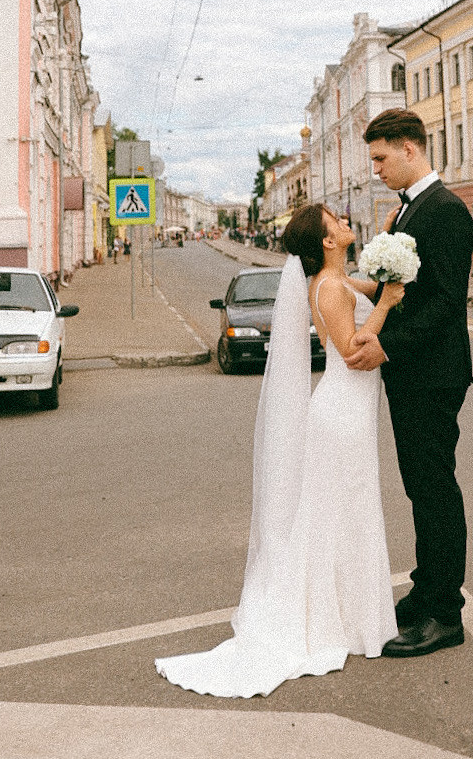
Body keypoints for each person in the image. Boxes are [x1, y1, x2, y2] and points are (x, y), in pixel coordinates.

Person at [155, 204, 405, 697]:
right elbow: (353, 351)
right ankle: (346, 620)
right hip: (341, 412)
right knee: (341, 511)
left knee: (344, 512)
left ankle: (351, 614)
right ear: (327, 241)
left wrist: (392, 273)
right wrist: (388, 304)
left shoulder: (341, 279)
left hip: (347, 412)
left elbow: (373, 288)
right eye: (336, 220)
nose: (345, 221)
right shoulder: (330, 287)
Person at [346, 108, 473, 658]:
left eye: (380, 158)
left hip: (432, 373)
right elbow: (397, 288)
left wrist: (387, 345)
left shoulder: (443, 211)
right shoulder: (409, 212)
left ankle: (444, 613)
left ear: (410, 150)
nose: (375, 168)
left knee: (434, 488)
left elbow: (447, 302)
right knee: (420, 487)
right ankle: (427, 590)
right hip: (412, 373)